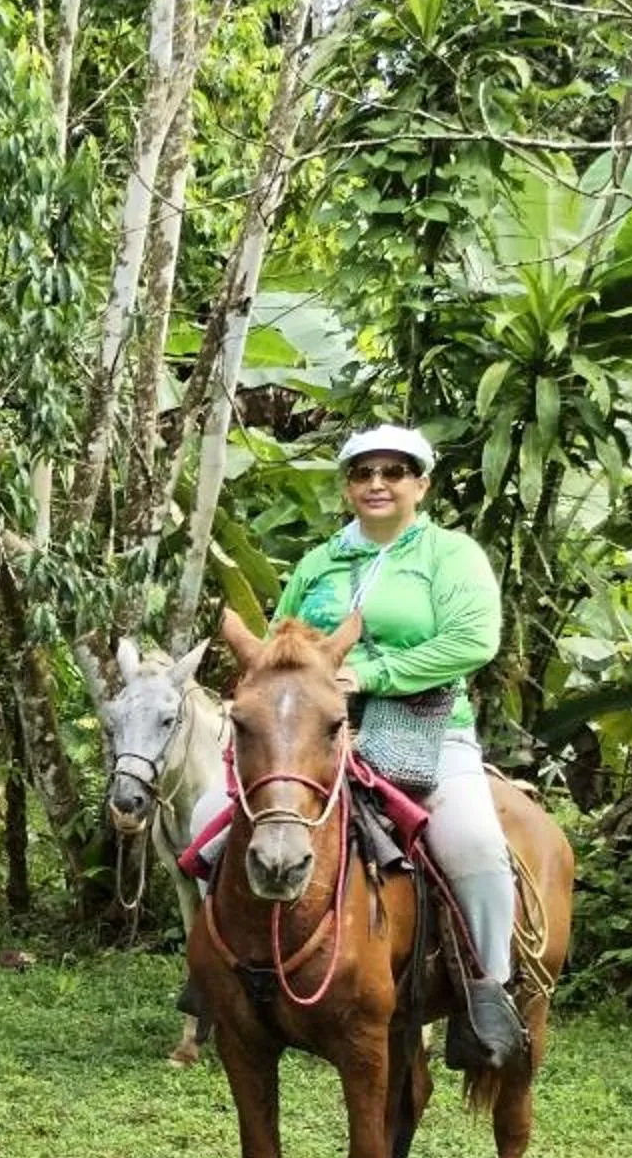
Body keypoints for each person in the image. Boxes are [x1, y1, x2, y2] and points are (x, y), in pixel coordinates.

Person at [191, 423, 525, 1067]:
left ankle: (488, 992)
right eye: (362, 474)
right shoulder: (319, 564)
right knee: (209, 821)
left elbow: (474, 641)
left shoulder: (450, 557)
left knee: (476, 845)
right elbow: (277, 649)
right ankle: (216, 971)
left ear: (420, 485)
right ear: (347, 487)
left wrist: (372, 674)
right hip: (314, 736)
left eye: (394, 472)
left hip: (427, 726)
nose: (377, 484)